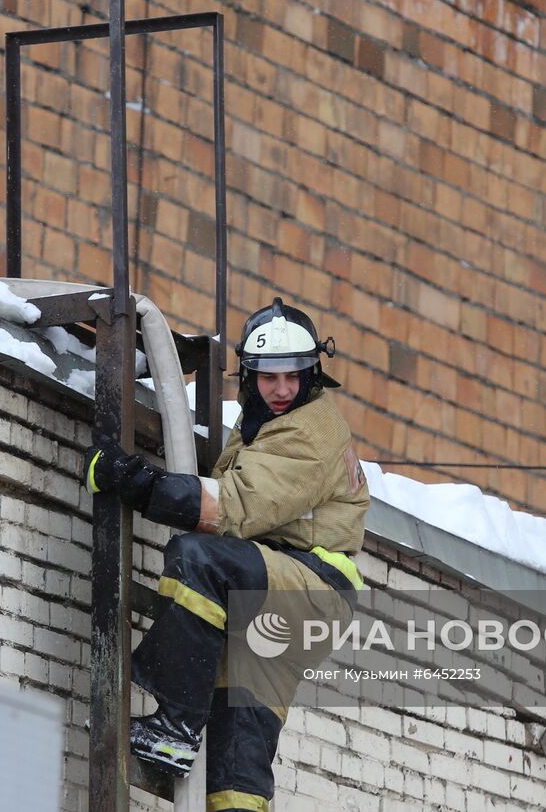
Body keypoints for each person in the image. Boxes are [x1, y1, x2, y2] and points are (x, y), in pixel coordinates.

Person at [84, 298, 370, 812]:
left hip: (307, 588)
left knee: (200, 559)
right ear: (250, 375)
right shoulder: (269, 423)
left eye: (294, 376)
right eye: (269, 377)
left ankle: (173, 725)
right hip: (282, 606)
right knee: (238, 753)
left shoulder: (311, 431)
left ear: (313, 373)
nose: (282, 389)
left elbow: (235, 507)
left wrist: (135, 481)